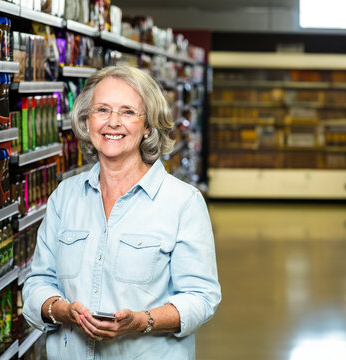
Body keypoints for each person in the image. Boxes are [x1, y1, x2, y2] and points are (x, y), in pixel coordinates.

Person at [22, 65, 221, 359]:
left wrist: (142, 321)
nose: (112, 122)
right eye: (102, 110)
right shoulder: (65, 196)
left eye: (128, 112)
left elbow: (201, 298)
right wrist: (62, 310)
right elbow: (38, 282)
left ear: (149, 126)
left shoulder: (182, 202)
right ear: (87, 120)